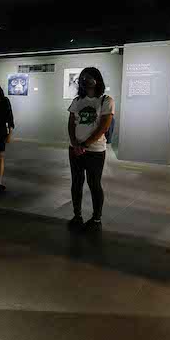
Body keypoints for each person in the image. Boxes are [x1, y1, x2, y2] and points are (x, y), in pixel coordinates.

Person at [67, 67, 115, 234]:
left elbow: (104, 126)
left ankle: (96, 218)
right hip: (75, 149)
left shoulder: (105, 100)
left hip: (95, 150)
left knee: (94, 184)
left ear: (97, 79)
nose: (86, 80)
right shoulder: (77, 100)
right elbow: (71, 123)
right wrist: (75, 144)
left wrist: (85, 145)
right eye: (84, 77)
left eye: (90, 77)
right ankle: (77, 215)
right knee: (76, 183)